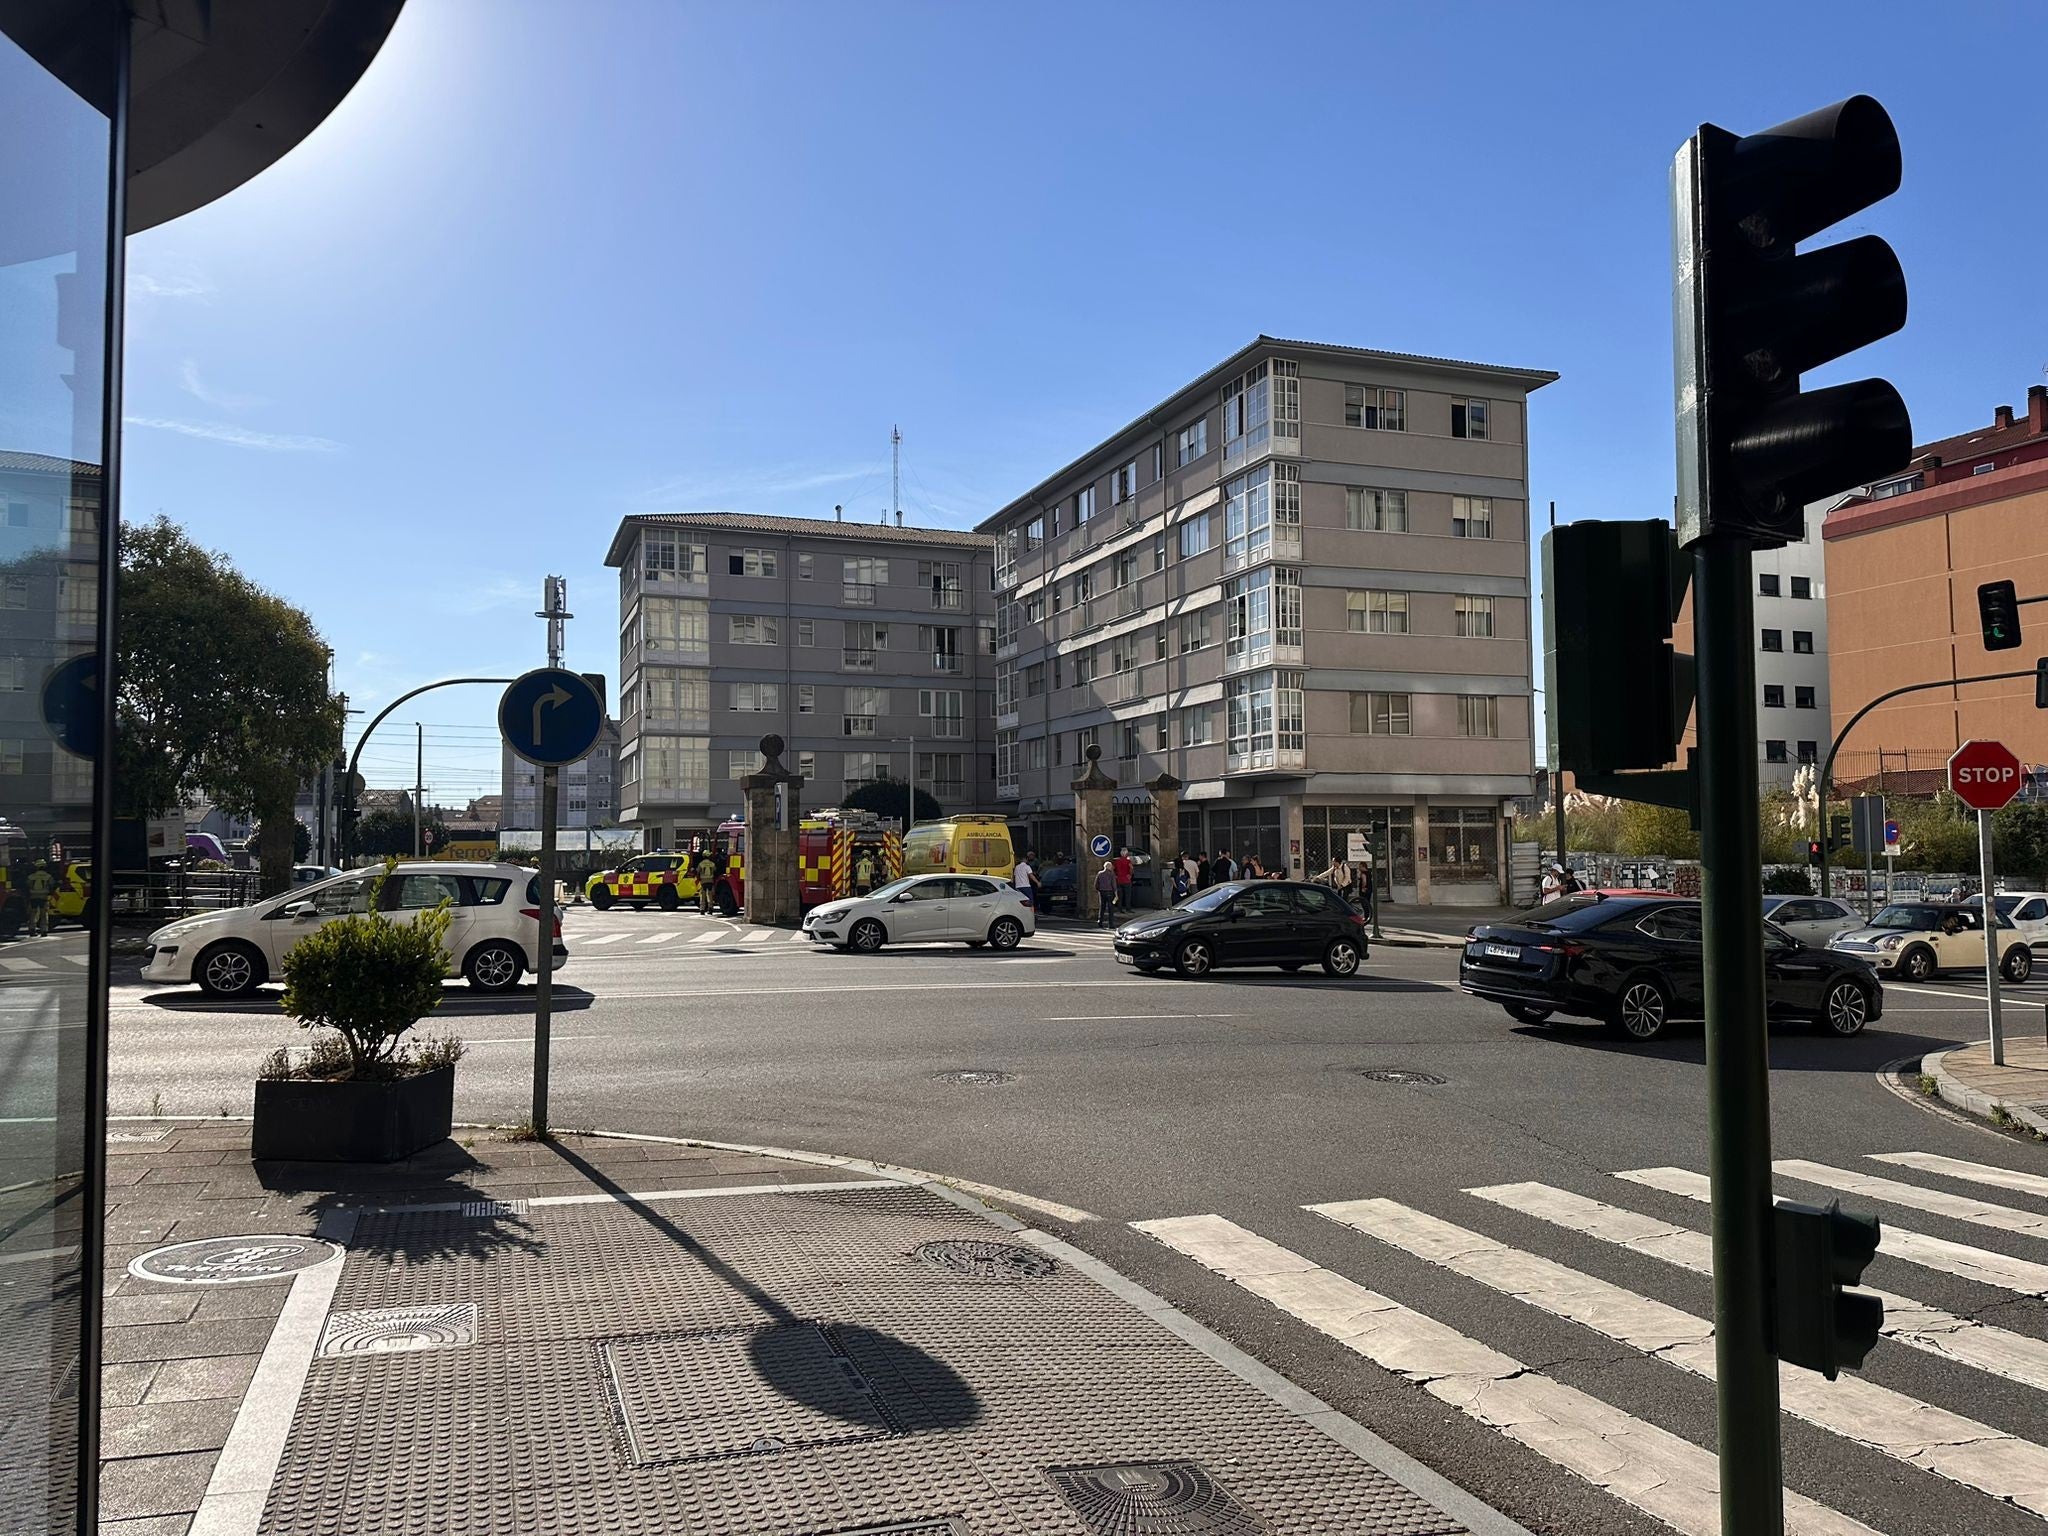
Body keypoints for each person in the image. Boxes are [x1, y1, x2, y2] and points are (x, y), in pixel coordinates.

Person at [25, 860, 53, 937]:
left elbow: (27, 885)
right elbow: (52, 885)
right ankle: (44, 931)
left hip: (33, 897)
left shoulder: (31, 876)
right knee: (44, 914)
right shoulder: (48, 876)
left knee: (33, 914)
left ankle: (32, 930)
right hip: (44, 897)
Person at [1093, 859, 1118, 927]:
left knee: (1102, 907)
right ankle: (1111, 924)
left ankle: (1100, 921)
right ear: (1109, 867)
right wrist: (1116, 893)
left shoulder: (1100, 873)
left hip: (1102, 892)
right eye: (1111, 866)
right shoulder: (1111, 874)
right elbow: (1114, 884)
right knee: (1110, 908)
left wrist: (1099, 890)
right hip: (1109, 891)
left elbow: (1096, 884)